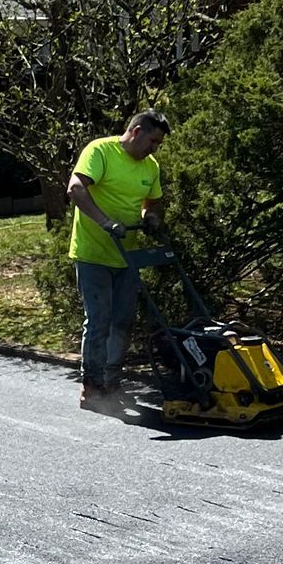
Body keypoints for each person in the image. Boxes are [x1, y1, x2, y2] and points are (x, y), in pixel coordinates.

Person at [67, 109, 170, 406]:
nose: (154, 148)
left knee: (122, 321)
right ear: (136, 132)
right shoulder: (101, 151)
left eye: (158, 144)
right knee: (98, 321)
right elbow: (75, 188)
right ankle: (92, 386)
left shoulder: (150, 166)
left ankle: (111, 383)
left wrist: (150, 217)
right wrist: (105, 222)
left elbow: (152, 201)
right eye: (152, 141)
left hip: (128, 256)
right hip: (93, 253)